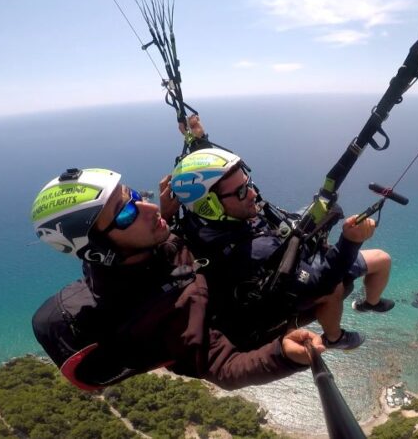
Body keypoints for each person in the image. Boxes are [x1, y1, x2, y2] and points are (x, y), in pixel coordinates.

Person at [30, 167, 324, 391]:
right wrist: (283, 355)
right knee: (335, 282)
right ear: (98, 250)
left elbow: (165, 248)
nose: (150, 207)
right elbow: (223, 367)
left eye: (134, 195)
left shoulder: (124, 258)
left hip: (217, 280)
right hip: (244, 323)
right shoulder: (163, 311)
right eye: (126, 214)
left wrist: (168, 215)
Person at [169, 118, 395, 351]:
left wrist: (199, 142)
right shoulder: (255, 251)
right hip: (282, 285)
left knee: (328, 208)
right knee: (371, 266)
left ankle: (370, 303)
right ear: (212, 205)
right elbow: (323, 281)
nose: (253, 193)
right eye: (241, 191)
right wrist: (350, 242)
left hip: (275, 242)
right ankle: (336, 336)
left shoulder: (199, 219)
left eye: (249, 183)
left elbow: (208, 182)